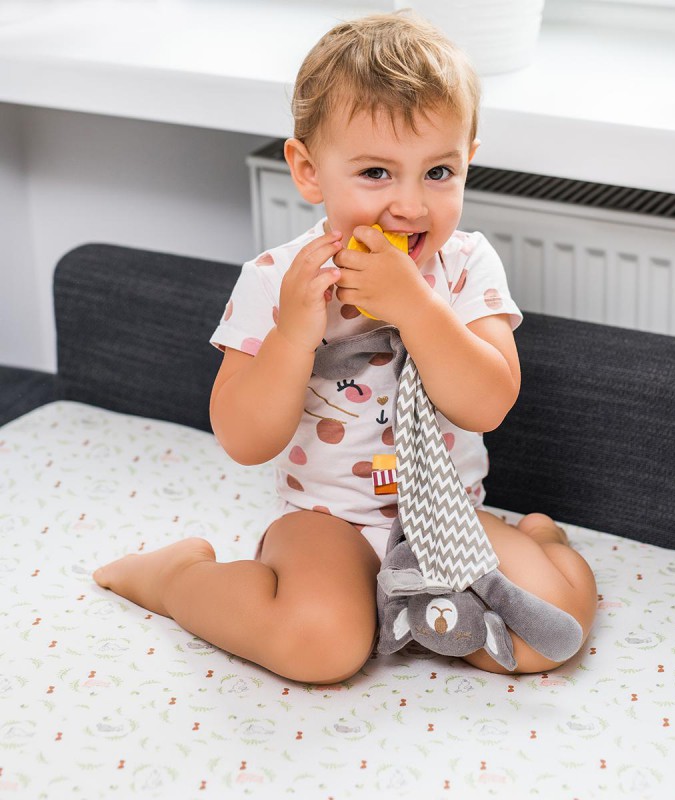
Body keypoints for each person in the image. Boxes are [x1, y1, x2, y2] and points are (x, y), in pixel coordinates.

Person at [93, 11, 597, 684]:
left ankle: (542, 539)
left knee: (543, 637)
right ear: (309, 171)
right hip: (325, 522)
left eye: (438, 171)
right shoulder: (277, 280)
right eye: (376, 172)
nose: (411, 205)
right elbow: (243, 438)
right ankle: (176, 576)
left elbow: (487, 403)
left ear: (468, 161)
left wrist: (417, 308)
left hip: (446, 519)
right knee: (321, 647)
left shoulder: (467, 266)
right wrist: (293, 335)